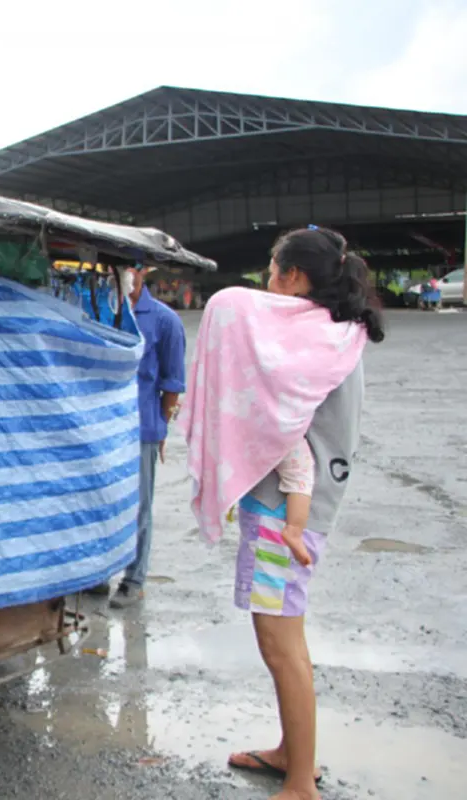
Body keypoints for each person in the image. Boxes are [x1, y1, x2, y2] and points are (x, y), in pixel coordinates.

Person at [180, 226, 385, 800]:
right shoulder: (335, 335)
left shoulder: (309, 341)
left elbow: (229, 307)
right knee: (283, 640)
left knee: (280, 644)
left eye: (274, 271)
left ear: (295, 277)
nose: (267, 285)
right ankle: (291, 752)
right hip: (295, 507)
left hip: (286, 517)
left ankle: (301, 782)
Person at [92, 264, 186, 608]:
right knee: (102, 499)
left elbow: (172, 383)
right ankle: (99, 574)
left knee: (139, 507)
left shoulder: (164, 321)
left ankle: (134, 579)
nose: (118, 274)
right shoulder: (100, 310)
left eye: (126, 267)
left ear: (143, 272)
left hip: (142, 427)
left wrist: (161, 426)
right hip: (105, 428)